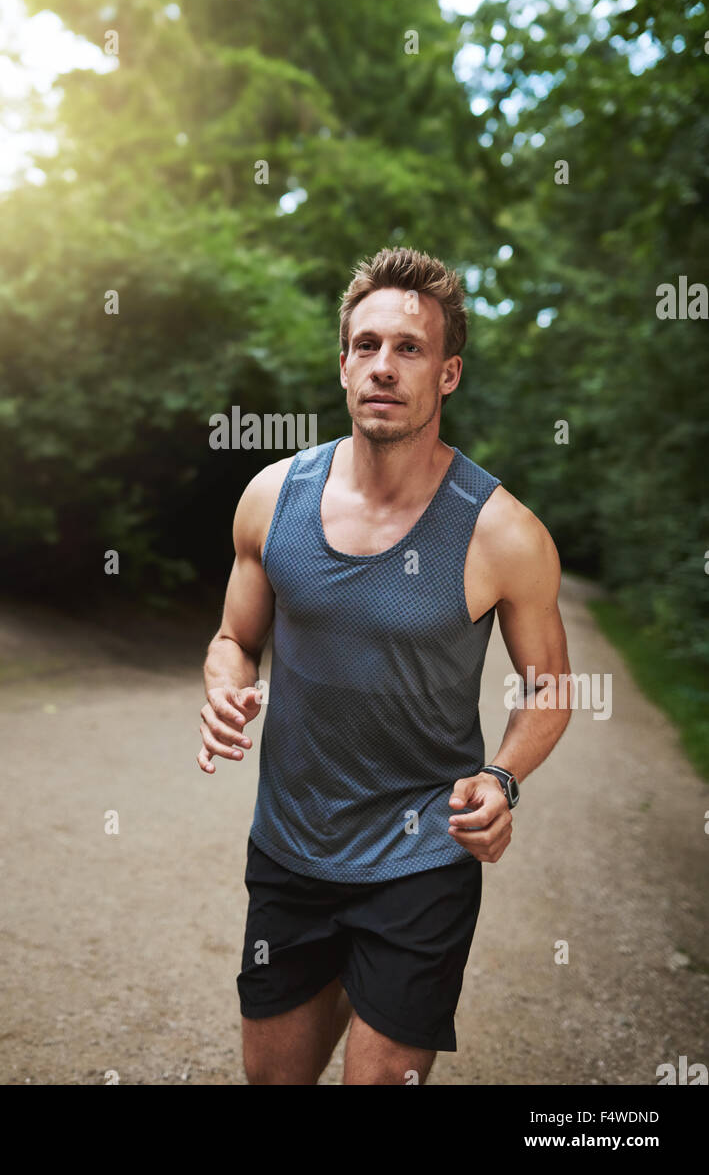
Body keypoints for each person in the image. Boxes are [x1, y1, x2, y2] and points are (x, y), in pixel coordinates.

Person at [198, 246, 571, 1085]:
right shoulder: (270, 498)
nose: (383, 366)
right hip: (290, 853)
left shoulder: (502, 532)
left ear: (447, 374)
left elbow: (548, 688)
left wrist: (502, 777)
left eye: (408, 349)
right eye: (366, 345)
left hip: (421, 861)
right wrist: (225, 689)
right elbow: (233, 640)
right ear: (341, 365)